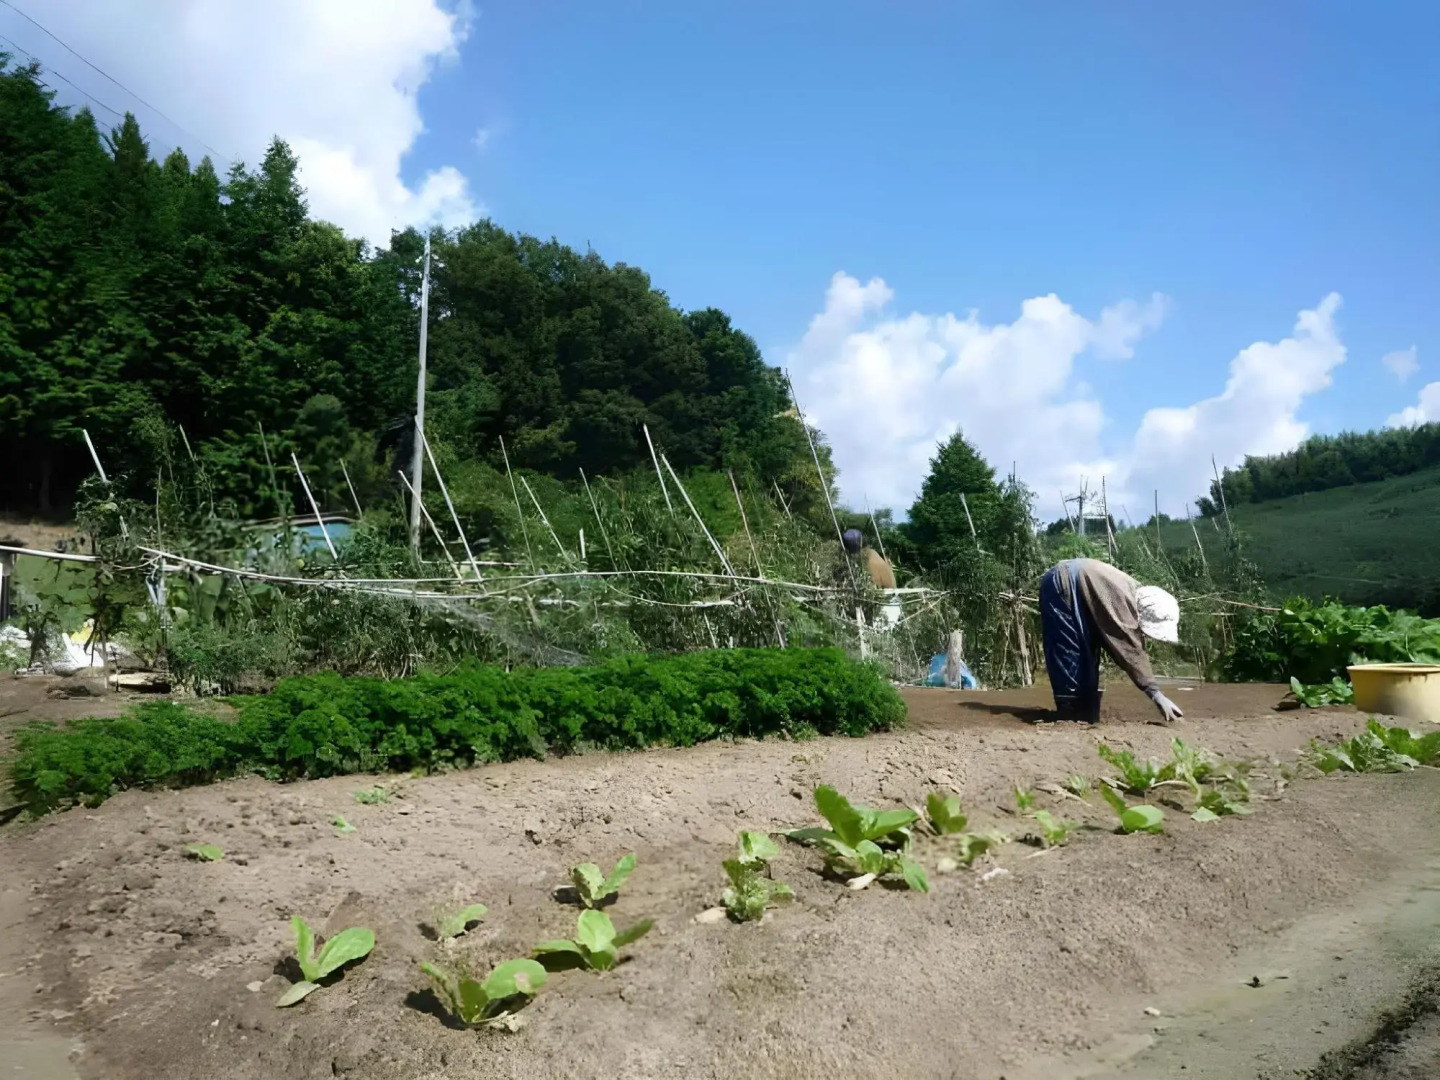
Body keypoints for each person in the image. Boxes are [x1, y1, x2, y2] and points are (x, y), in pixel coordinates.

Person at [1038, 557, 1184, 724]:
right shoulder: (1122, 600)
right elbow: (1129, 651)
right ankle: (1070, 712)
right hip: (1062, 583)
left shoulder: (1132, 594)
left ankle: (1082, 710)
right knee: (1071, 651)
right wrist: (1156, 694)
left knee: (1089, 651)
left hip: (1074, 584)